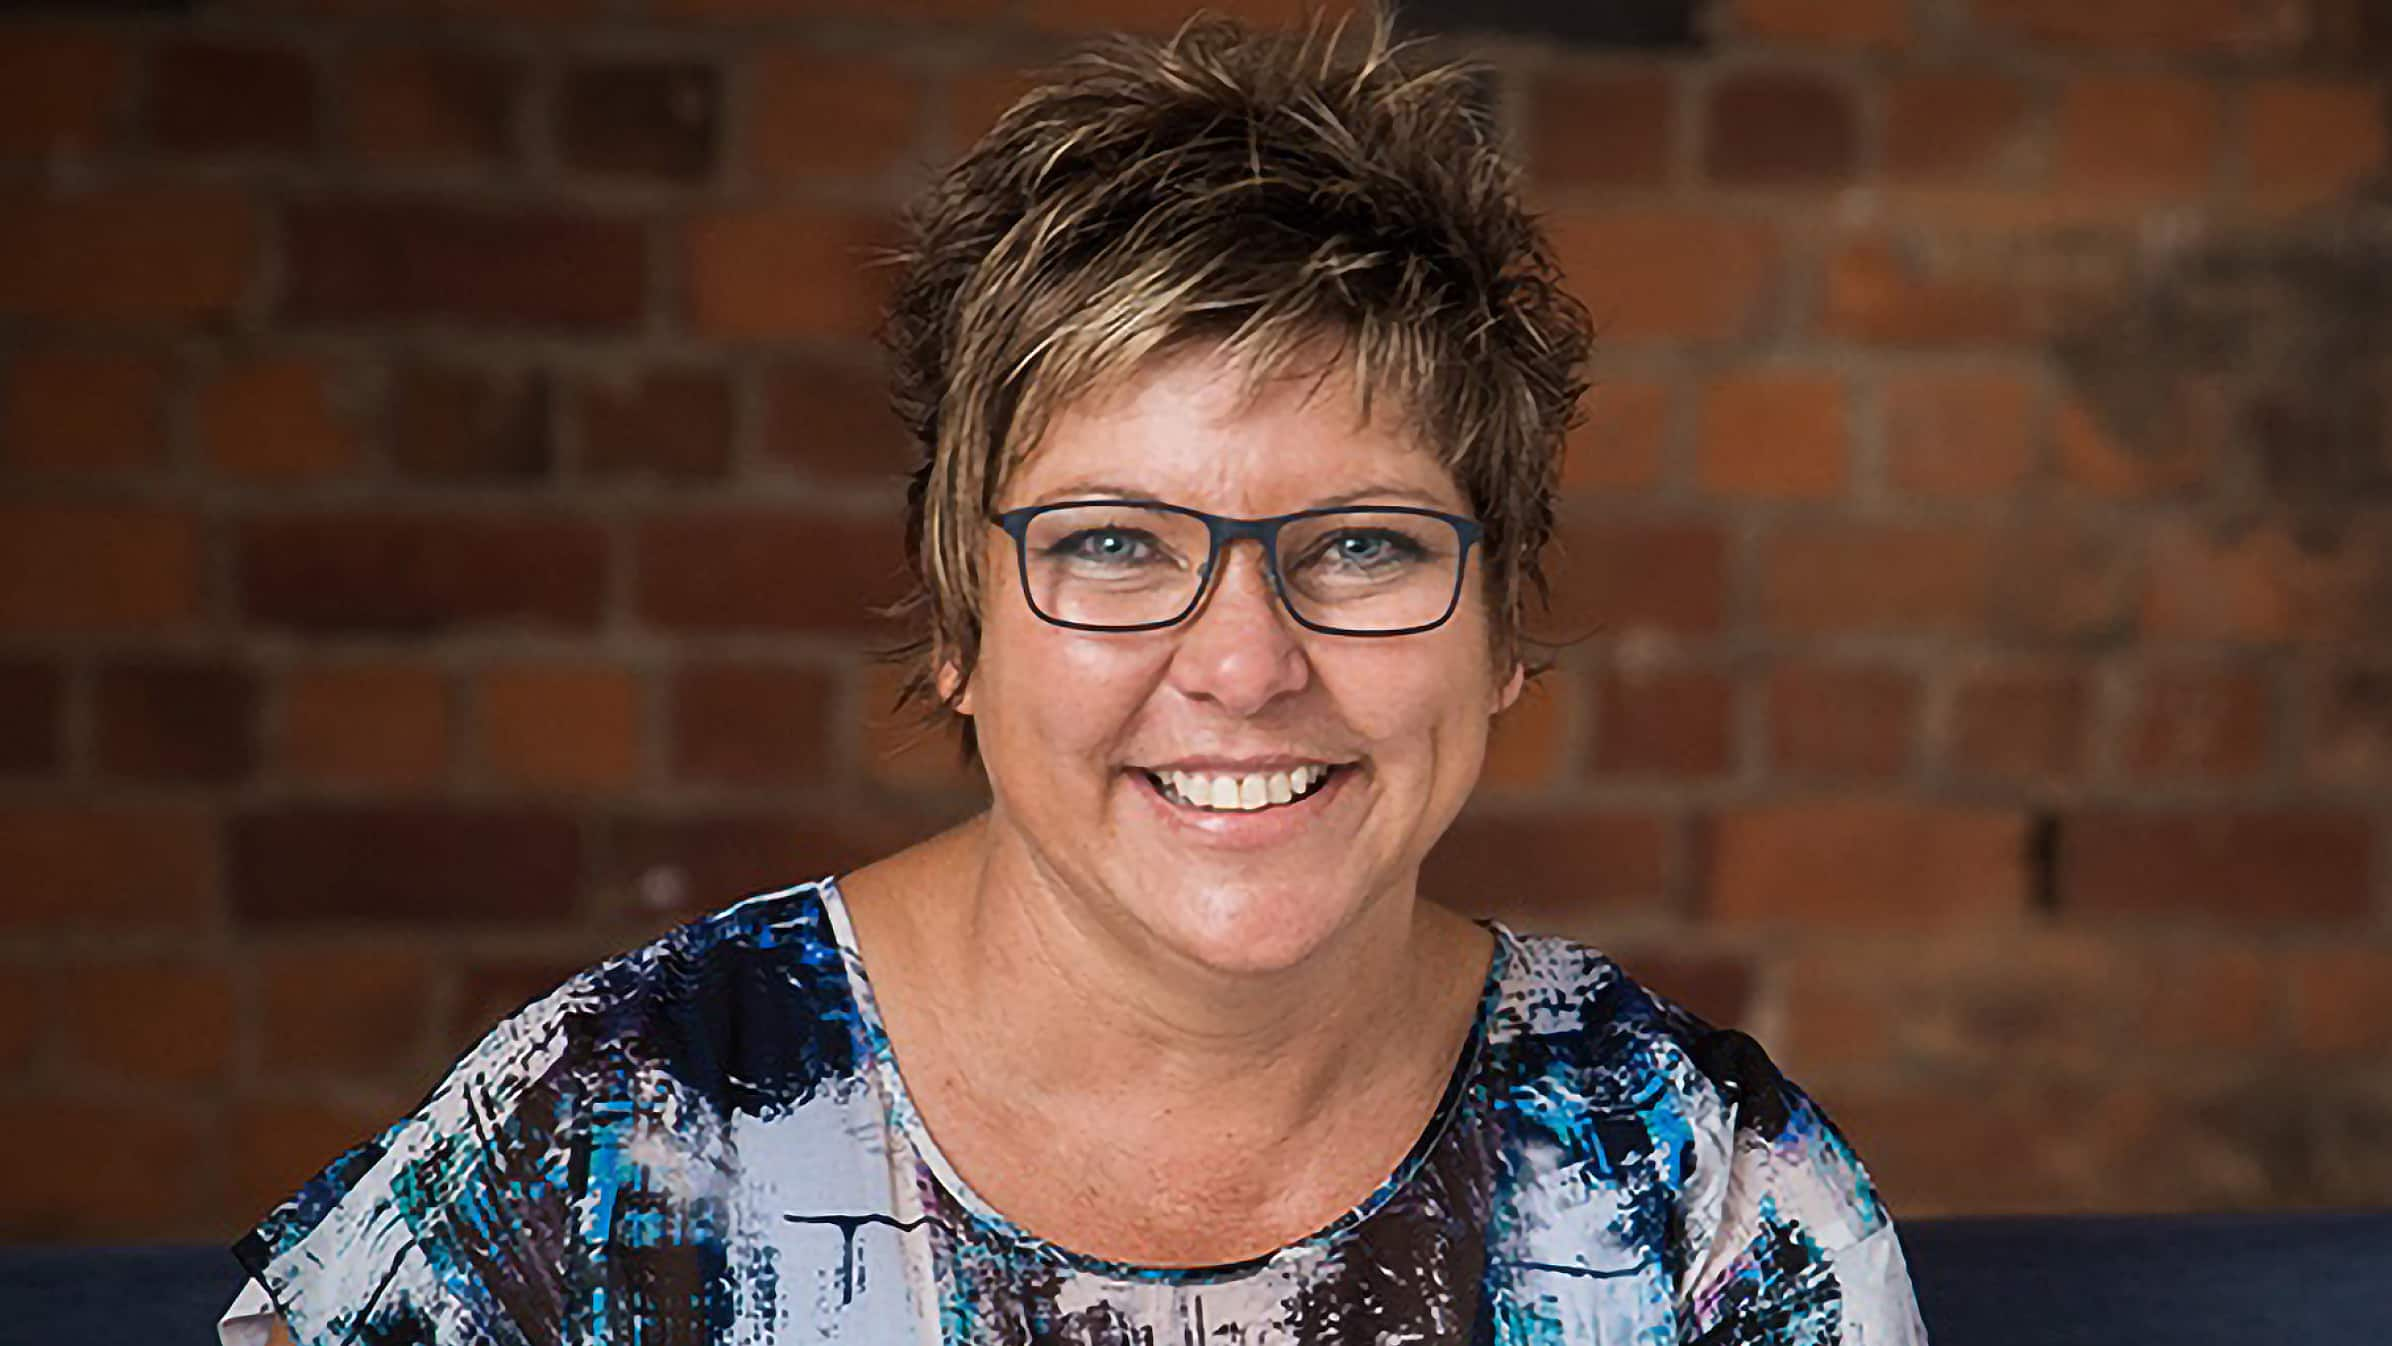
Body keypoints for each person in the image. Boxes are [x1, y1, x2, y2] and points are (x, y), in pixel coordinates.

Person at [218, 15, 1930, 1345]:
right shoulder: (619, 1143)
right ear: (956, 621)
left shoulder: (1700, 1194)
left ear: (1501, 638)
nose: (1247, 665)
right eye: (1115, 544)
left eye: (1362, 548)